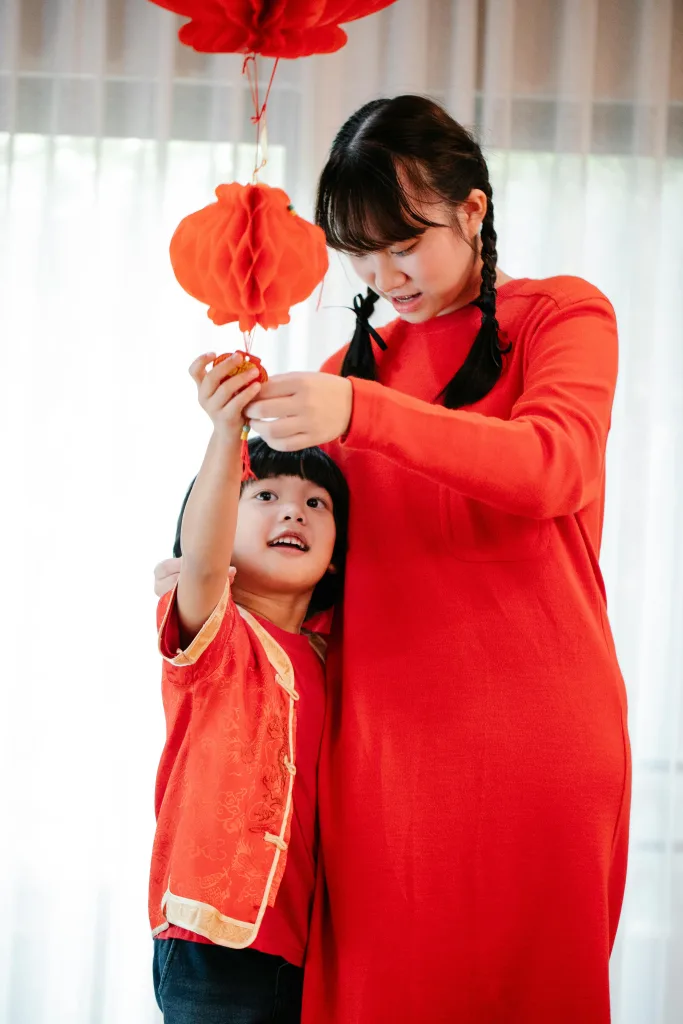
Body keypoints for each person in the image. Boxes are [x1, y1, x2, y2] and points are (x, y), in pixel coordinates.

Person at [156, 95, 630, 1024]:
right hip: (379, 758)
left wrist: (361, 412)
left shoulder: (559, 316)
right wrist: (203, 584)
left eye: (402, 242)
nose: (384, 273)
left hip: (541, 739)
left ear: (472, 210)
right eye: (360, 251)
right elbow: (297, 566)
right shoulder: (343, 373)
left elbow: (552, 468)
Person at [150, 352, 348, 1024]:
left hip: (311, 954)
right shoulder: (216, 633)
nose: (292, 512)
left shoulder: (335, 654)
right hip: (213, 940)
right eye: (264, 496)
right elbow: (202, 560)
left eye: (315, 504)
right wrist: (224, 432)